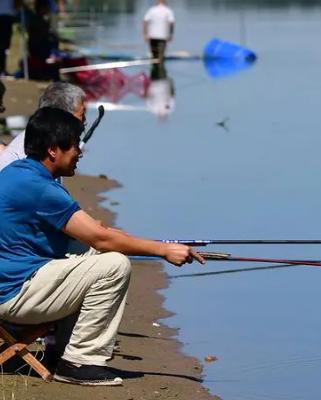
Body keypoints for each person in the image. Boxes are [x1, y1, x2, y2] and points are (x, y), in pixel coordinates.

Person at [0, 107, 204, 385]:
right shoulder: (40, 187)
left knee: (98, 253)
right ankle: (78, 362)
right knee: (114, 265)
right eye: (74, 146)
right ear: (52, 150)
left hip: (11, 282)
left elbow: (92, 234)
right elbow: (101, 237)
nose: (80, 153)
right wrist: (164, 250)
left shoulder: (18, 172)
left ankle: (62, 349)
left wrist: (107, 237)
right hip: (13, 295)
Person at [0, 81, 86, 172]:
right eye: (82, 114)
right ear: (63, 115)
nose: (85, 121)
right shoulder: (35, 152)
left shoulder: (43, 139)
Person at [0, 0, 16, 75]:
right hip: (4, 16)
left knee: (4, 45)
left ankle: (2, 69)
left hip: (8, 16)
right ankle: (2, 69)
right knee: (2, 45)